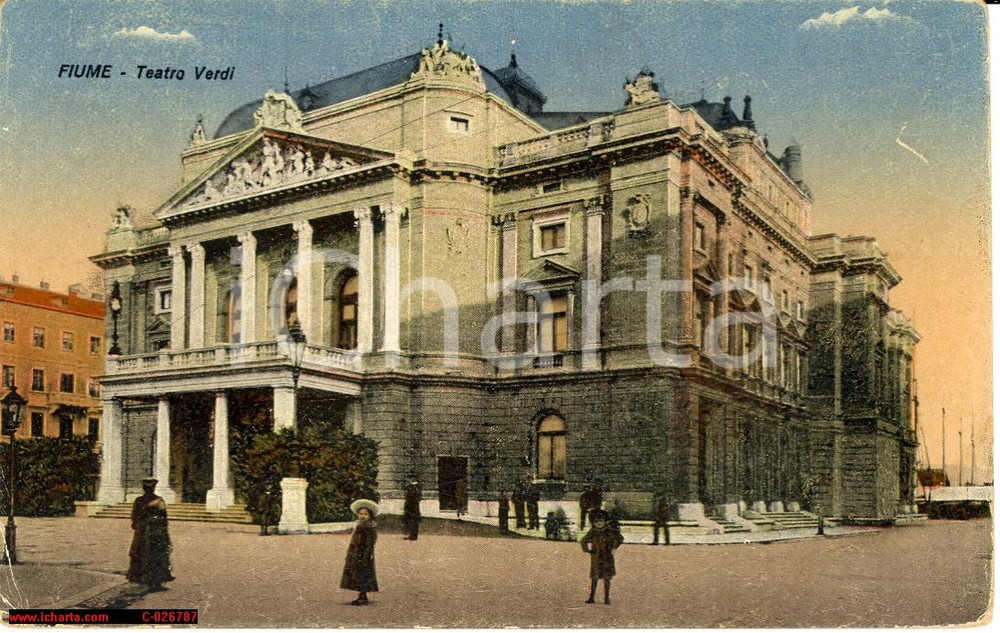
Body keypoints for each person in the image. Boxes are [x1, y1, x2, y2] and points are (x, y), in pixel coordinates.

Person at [126, 477, 173, 591]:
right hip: (156, 532)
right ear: (154, 488)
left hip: (143, 533)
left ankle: (143, 579)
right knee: (156, 556)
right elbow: (164, 518)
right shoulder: (159, 500)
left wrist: (139, 524)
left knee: (142, 554)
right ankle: (155, 582)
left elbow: (134, 517)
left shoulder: (139, 500)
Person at [580, 508, 624, 605]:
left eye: (601, 521)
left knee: (606, 578)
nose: (599, 523)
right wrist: (587, 550)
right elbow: (583, 541)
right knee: (594, 578)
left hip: (607, 557)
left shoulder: (609, 530)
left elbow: (620, 538)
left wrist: (614, 547)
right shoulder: (593, 531)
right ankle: (591, 597)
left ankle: (606, 597)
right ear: (593, 523)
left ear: (605, 521)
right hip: (596, 557)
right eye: (596, 522)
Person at [341, 499, 379, 606]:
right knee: (358, 573)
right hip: (356, 553)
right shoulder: (360, 525)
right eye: (361, 514)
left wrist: (366, 555)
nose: (362, 516)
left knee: (362, 574)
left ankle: (363, 596)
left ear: (370, 516)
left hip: (363, 555)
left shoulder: (368, 527)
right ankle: (361, 594)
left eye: (365, 514)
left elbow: (370, 543)